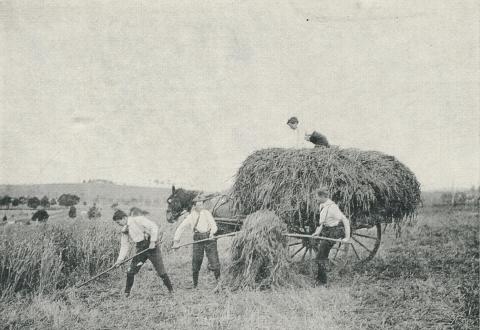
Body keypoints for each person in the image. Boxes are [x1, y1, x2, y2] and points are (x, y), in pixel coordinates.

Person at [113, 207, 173, 297]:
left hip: (152, 247)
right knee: (130, 271)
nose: (119, 225)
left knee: (161, 271)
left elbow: (154, 227)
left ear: (124, 218)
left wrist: (152, 241)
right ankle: (126, 293)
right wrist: (119, 260)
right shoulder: (125, 230)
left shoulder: (138, 220)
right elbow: (124, 245)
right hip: (140, 249)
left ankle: (171, 290)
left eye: (119, 222)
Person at [172, 195, 220, 288]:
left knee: (214, 261)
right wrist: (176, 241)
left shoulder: (207, 213)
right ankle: (195, 285)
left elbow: (214, 225)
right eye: (198, 205)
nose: (200, 207)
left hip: (209, 239)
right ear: (195, 206)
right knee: (196, 262)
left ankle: (219, 283)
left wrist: (212, 233)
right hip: (198, 239)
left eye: (201, 205)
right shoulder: (191, 216)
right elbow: (181, 228)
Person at [312, 187, 351, 285]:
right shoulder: (322, 205)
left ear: (322, 196)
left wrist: (347, 237)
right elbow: (321, 224)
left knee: (321, 256)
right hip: (327, 230)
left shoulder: (333, 207)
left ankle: (322, 282)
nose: (316, 199)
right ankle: (321, 280)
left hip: (334, 231)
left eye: (317, 197)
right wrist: (317, 232)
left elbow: (345, 221)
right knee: (321, 255)